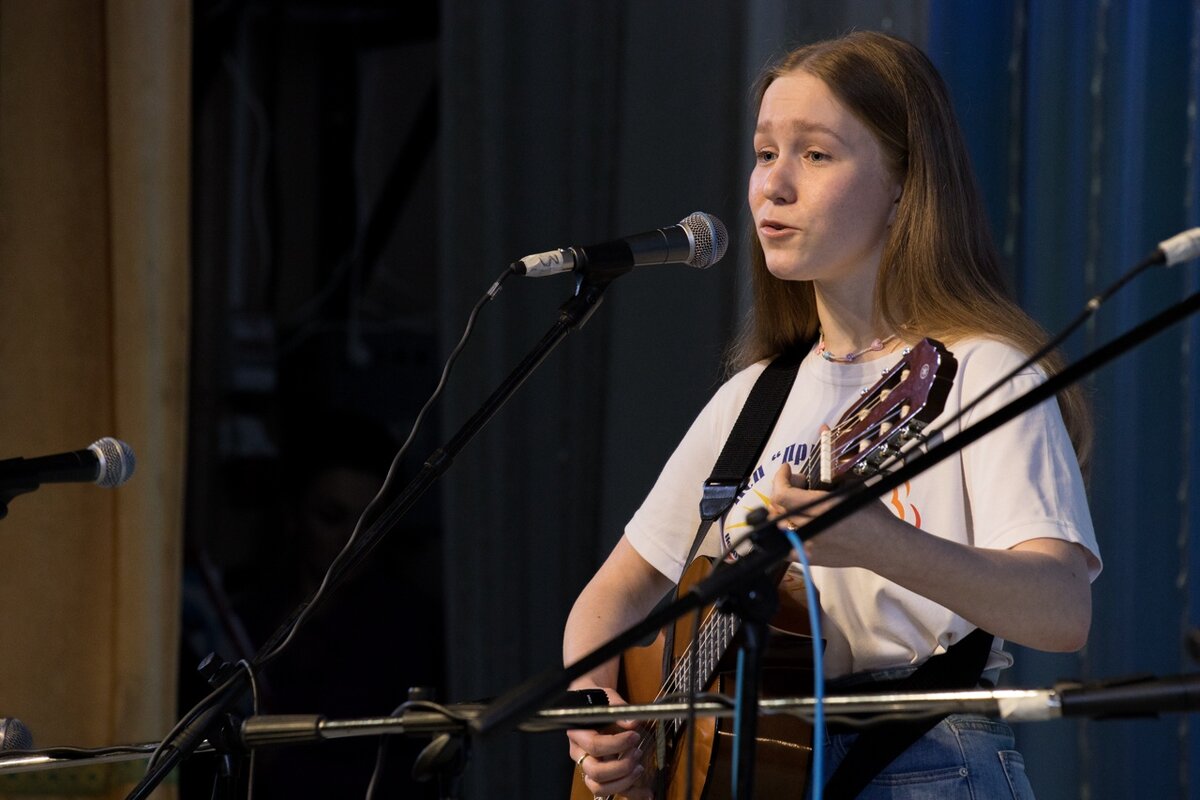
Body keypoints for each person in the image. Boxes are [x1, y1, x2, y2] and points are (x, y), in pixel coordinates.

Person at [562, 30, 1101, 799]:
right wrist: (596, 709)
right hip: (756, 770)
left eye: (815, 155)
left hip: (925, 764)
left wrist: (878, 541)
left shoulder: (980, 370)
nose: (772, 186)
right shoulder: (756, 397)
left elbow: (1060, 610)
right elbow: (611, 596)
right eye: (764, 153)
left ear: (904, 187)